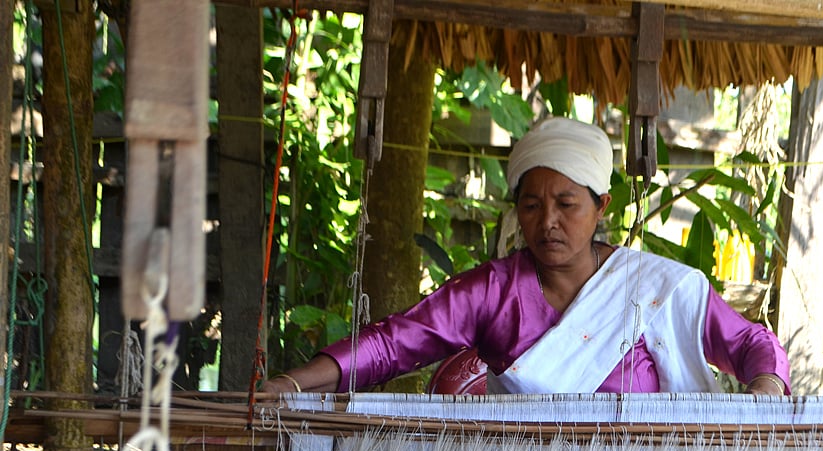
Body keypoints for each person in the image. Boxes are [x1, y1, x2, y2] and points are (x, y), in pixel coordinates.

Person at [262, 117, 790, 396]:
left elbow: (749, 342)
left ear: (601, 206)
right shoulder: (493, 293)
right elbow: (393, 344)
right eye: (532, 206)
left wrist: (765, 387)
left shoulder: (655, 288)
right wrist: (291, 383)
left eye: (567, 204)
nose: (548, 222)